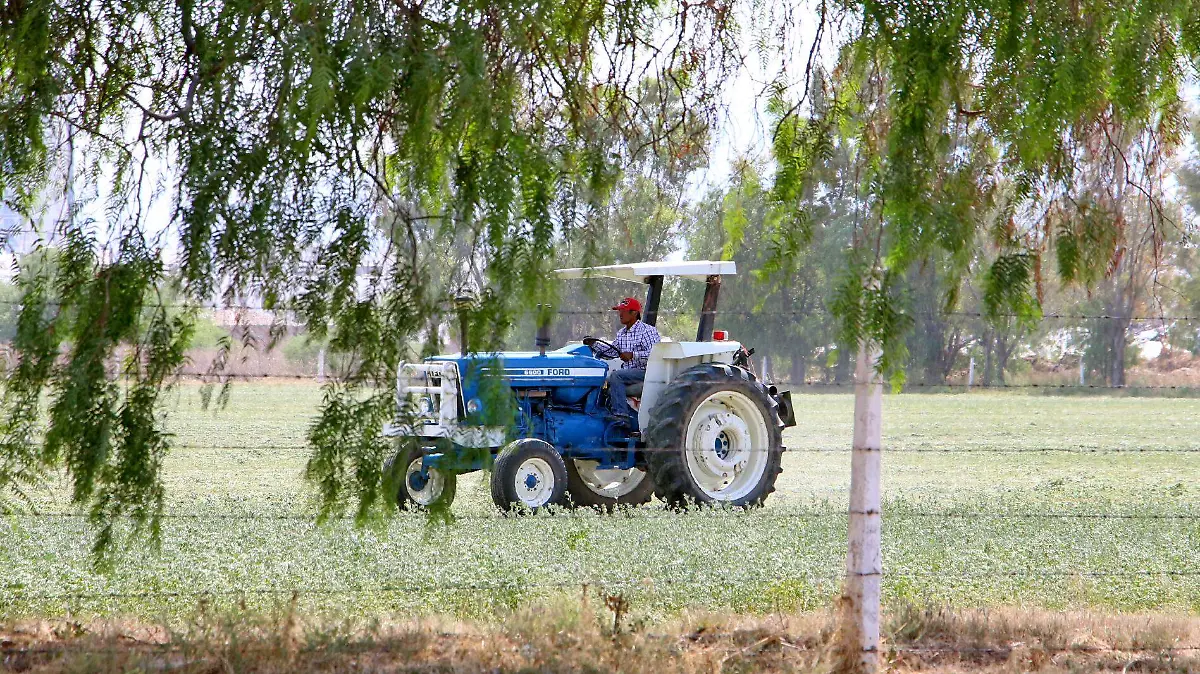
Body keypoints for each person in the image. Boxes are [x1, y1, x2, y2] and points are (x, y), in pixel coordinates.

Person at [586, 296, 660, 420]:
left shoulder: (647, 331)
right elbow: (611, 352)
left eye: (623, 311)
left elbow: (656, 355)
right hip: (628, 374)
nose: (620, 314)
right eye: (619, 310)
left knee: (617, 376)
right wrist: (593, 344)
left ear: (634, 313)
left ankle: (621, 415)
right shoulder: (622, 333)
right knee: (601, 380)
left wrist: (633, 355)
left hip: (646, 372)